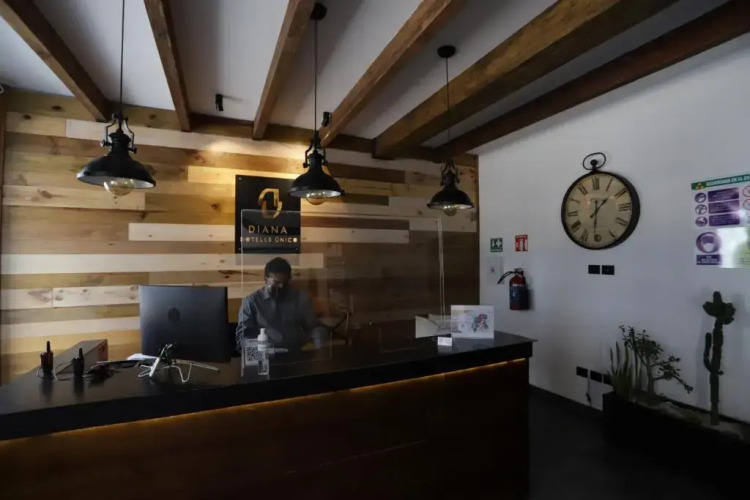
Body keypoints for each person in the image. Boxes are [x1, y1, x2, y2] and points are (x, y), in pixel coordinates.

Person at [235, 257, 327, 353]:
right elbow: (242, 337)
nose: (281, 286)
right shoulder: (252, 302)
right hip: (265, 355)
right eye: (276, 282)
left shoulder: (300, 298)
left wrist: (320, 349)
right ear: (266, 280)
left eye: (285, 282)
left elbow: (314, 327)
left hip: (295, 354)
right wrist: (260, 350)